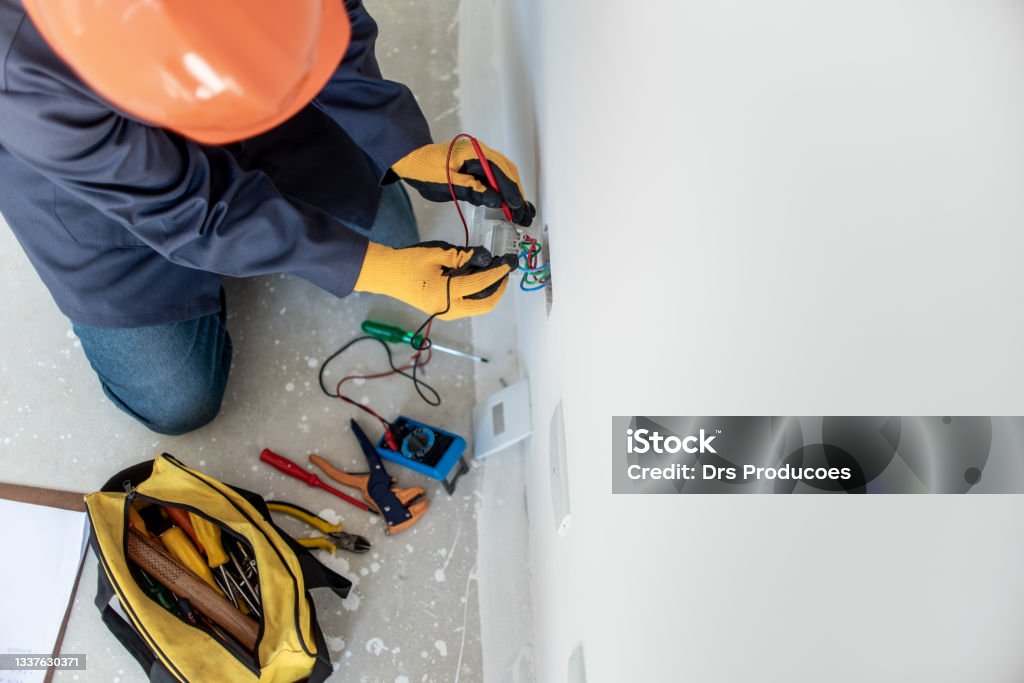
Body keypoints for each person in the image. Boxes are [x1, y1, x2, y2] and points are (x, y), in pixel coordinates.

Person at [0, 0, 536, 435]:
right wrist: (376, 270)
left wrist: (401, 145)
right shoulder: (20, 65)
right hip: (105, 203)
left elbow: (330, 18)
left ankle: (266, 214)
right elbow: (184, 209)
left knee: (393, 232)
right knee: (179, 404)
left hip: (249, 104)